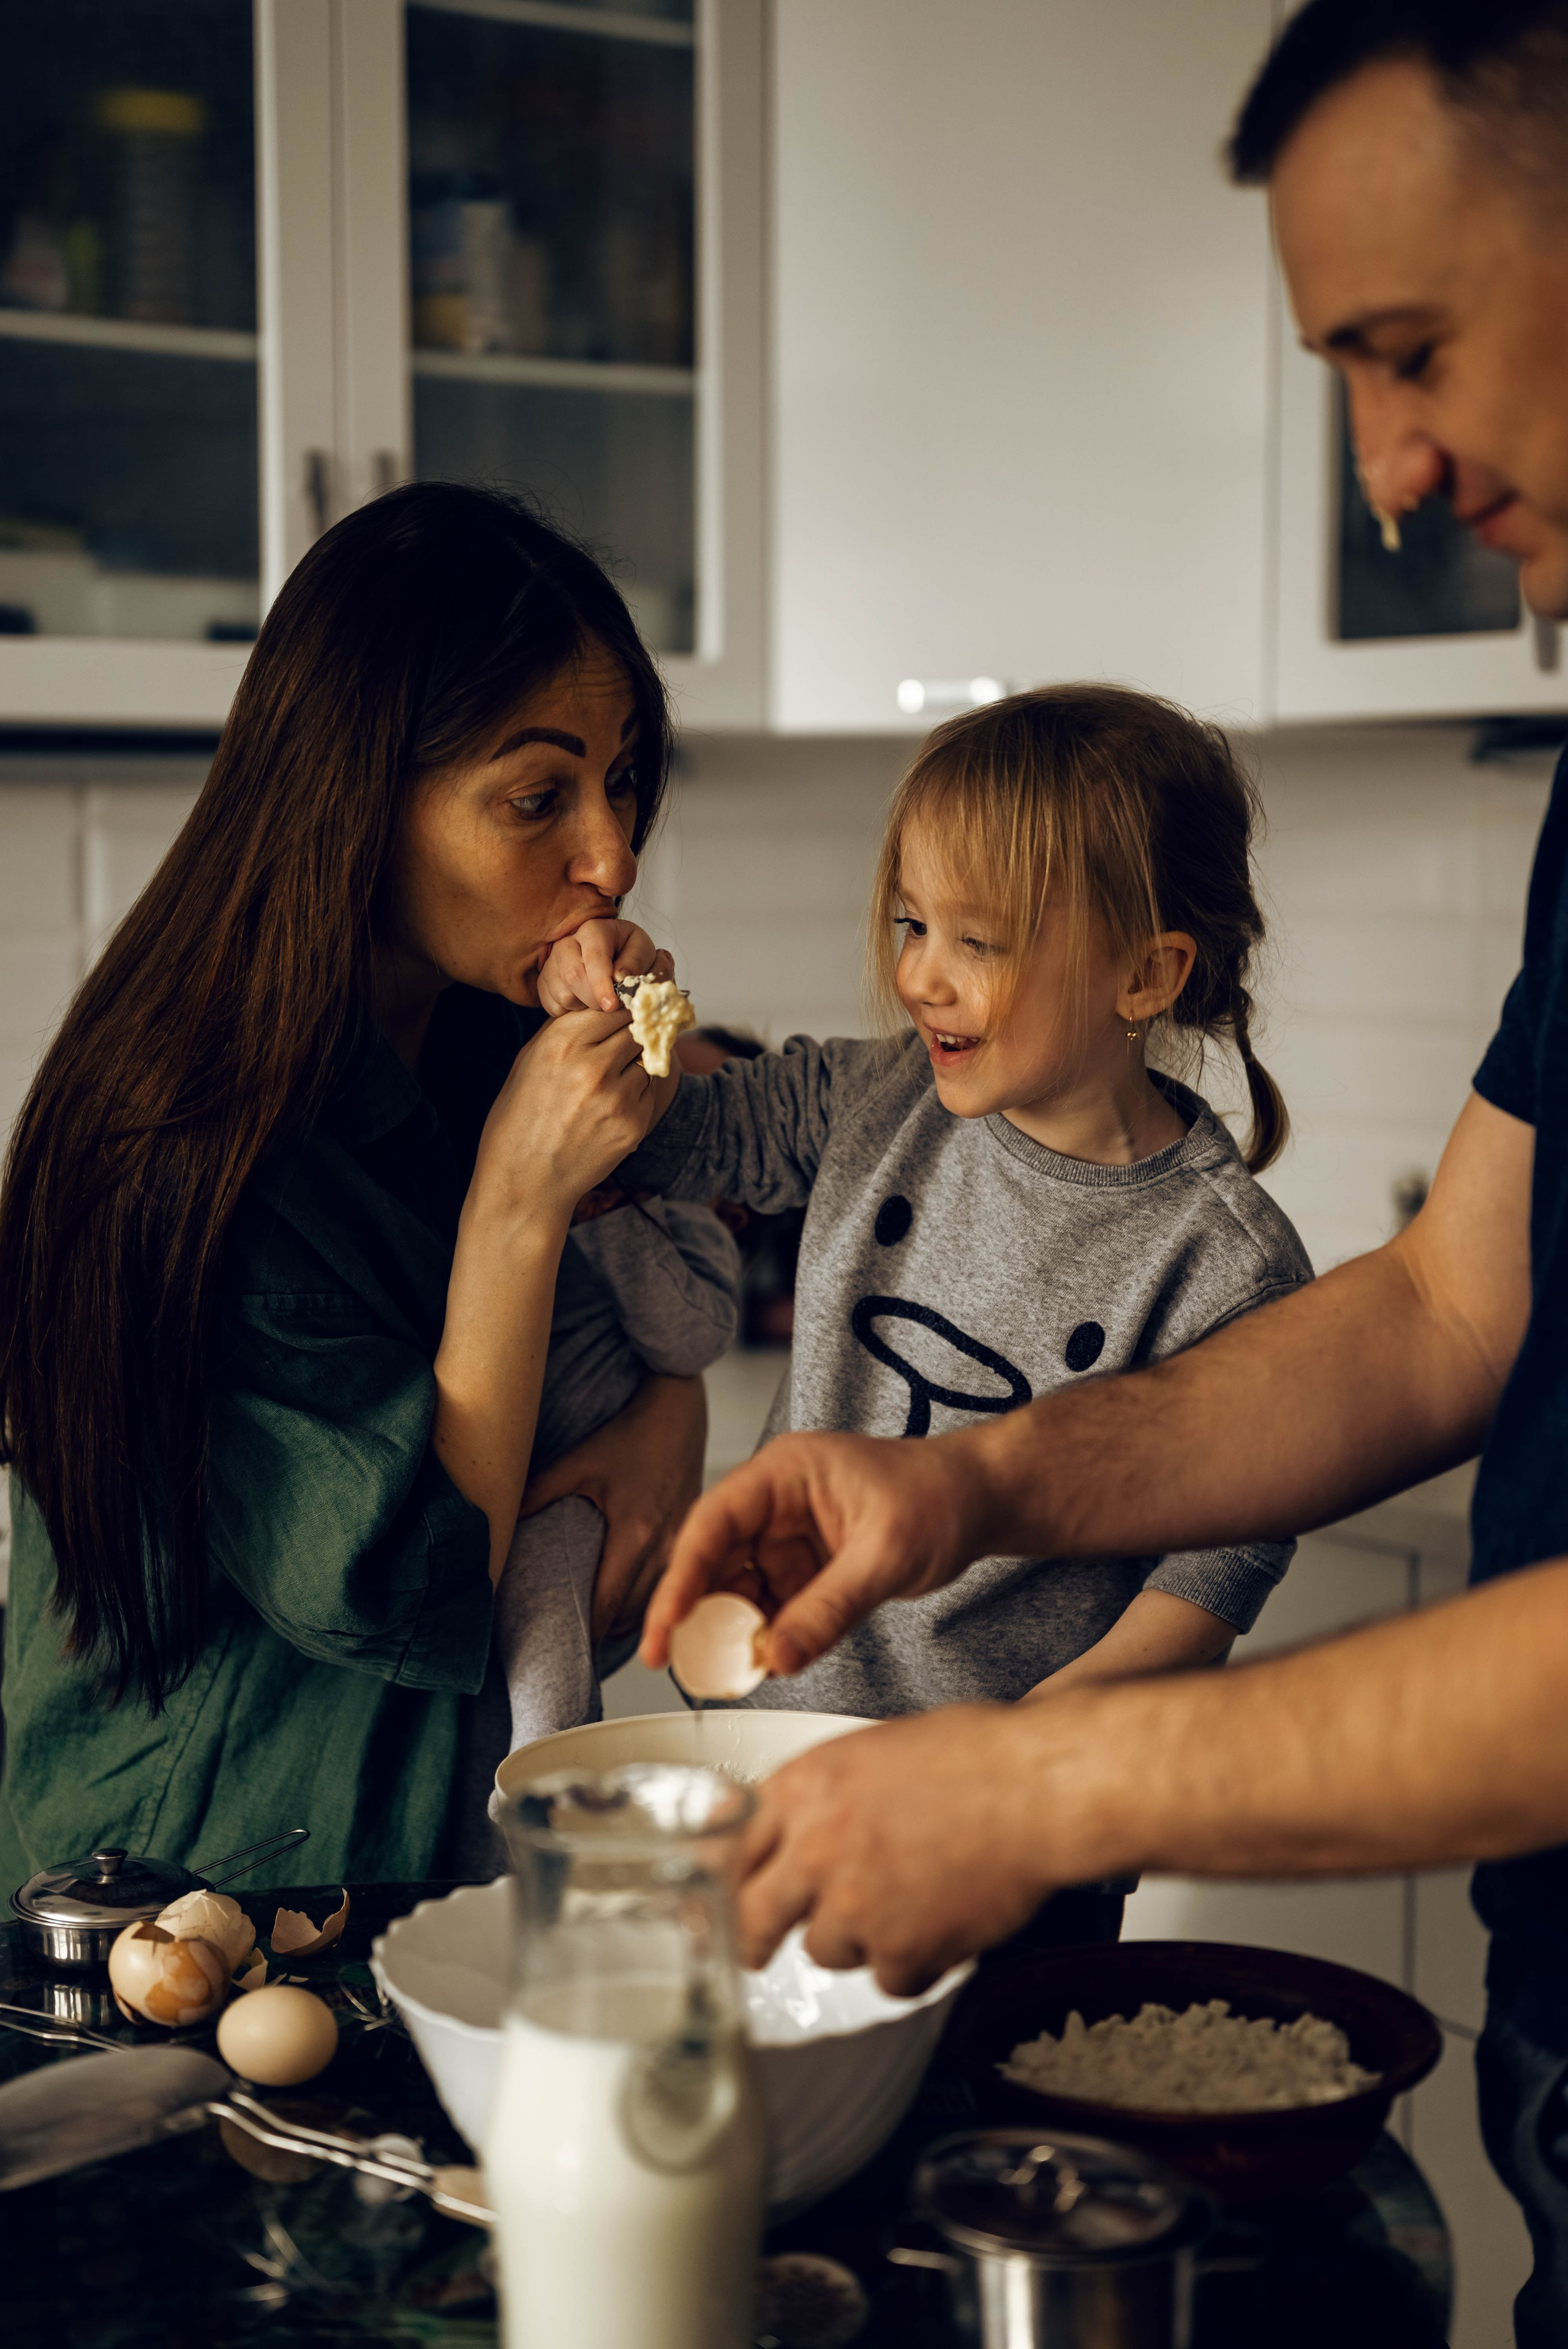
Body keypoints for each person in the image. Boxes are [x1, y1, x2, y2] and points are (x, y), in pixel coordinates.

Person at [636, 4, 1568, 2332]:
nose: (1384, 474)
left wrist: (1043, 1788)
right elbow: (1460, 1294)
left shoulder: (1197, 1222)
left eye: (1406, 345)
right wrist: (966, 1494)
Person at [0, 481, 701, 1888]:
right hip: (182, 1882)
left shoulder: (472, 1032)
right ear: (357, 797)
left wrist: (669, 1412)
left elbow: (658, 1275)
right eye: (535, 795)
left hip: (414, 1860)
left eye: (619, 777)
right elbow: (405, 1575)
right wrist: (516, 1200)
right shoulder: (168, 1143)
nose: (610, 853)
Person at [543, 684, 1312, 1950]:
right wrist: (618, 1006)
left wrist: (991, 1783)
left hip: (1000, 1852)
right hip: (758, 1771)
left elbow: (1199, 1595)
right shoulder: (876, 1102)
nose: (917, 976)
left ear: (1144, 972)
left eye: (977, 941)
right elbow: (680, 1138)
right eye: (909, 922)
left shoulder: (1220, 1269)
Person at [492, 1177, 740, 1757]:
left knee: (549, 1719)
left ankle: (551, 1769)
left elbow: (689, 1337)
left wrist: (607, 1210)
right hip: (514, 1470)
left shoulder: (690, 1219)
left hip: (577, 1494)